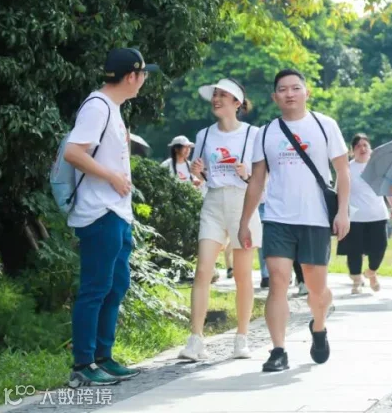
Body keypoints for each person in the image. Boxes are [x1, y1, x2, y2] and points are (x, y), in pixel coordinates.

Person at [239, 68, 351, 372]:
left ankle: (319, 325)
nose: (289, 93)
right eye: (283, 89)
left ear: (306, 92)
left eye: (295, 88)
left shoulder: (325, 125)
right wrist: (245, 221)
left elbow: (342, 171)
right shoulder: (266, 133)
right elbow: (257, 180)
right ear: (275, 97)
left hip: (315, 218)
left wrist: (343, 211)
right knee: (278, 281)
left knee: (317, 289)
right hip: (278, 218)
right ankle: (278, 350)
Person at [63, 47, 158, 387]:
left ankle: (103, 357)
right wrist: (112, 177)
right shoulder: (97, 106)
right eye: (143, 74)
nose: (144, 80)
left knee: (116, 285)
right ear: (131, 76)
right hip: (99, 212)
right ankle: (83, 363)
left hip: (117, 212)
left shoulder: (113, 108)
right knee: (96, 288)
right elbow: (73, 152)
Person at [179, 78, 261, 361]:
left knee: (242, 275)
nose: (216, 99)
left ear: (237, 103)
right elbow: (201, 174)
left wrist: (247, 174)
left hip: (243, 204)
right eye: (215, 94)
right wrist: (197, 171)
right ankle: (195, 340)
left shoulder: (253, 134)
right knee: (203, 270)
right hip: (213, 202)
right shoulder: (203, 135)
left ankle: (241, 338)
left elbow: (262, 177)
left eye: (223, 95)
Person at [338, 134, 392, 294]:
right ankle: (357, 281)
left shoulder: (378, 166)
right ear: (352, 151)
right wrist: (340, 212)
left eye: (365, 145)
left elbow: (388, 188)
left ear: (371, 149)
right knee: (354, 251)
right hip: (355, 217)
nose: (362, 149)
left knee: (380, 247)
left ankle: (371, 272)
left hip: (378, 215)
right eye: (358, 146)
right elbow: (340, 191)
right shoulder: (347, 168)